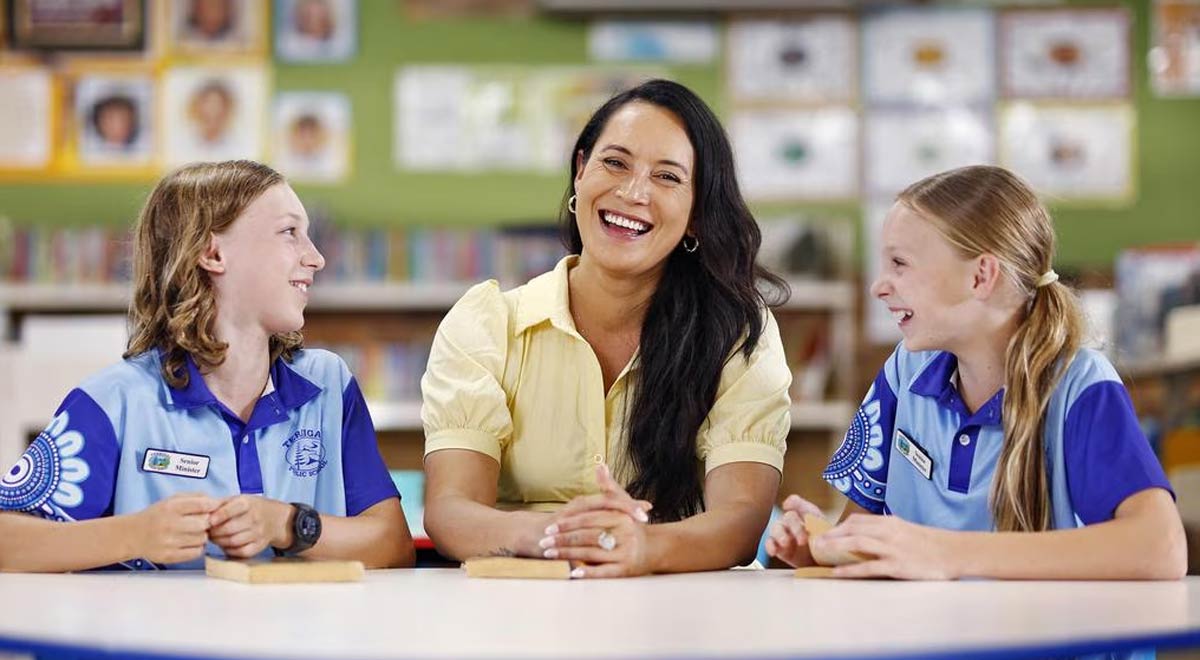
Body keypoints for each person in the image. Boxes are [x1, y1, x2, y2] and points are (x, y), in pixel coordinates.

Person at [422, 79, 792, 578]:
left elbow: (741, 521)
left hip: (677, 613)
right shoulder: (487, 324)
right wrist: (560, 536)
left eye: (667, 177)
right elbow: (450, 513)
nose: (633, 192)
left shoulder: (739, 334)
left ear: (696, 215)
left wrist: (642, 547)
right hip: (519, 608)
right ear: (580, 171)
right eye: (614, 163)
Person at [767, 165, 1185, 581]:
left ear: (981, 275)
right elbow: (865, 536)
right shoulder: (903, 372)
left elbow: (1161, 548)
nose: (879, 285)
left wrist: (946, 553)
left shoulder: (1079, 385)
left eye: (900, 263)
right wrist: (826, 548)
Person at [0, 160, 413, 572]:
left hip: (300, 636)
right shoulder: (117, 400)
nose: (317, 258)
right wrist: (135, 534)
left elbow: (393, 545)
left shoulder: (328, 384)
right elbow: (7, 537)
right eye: (290, 233)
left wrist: (288, 524)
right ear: (213, 253)